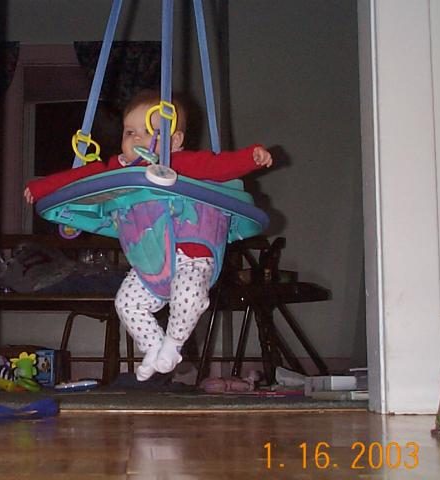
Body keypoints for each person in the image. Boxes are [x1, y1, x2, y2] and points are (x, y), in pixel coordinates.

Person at [24, 89, 272, 381]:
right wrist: (42, 188)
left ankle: (172, 345)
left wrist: (251, 157)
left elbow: (219, 166)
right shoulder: (119, 170)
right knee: (126, 303)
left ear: (175, 141)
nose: (137, 139)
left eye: (149, 131)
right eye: (130, 132)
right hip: (150, 264)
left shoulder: (180, 164)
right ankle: (153, 346)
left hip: (192, 254)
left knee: (188, 297)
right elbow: (81, 177)